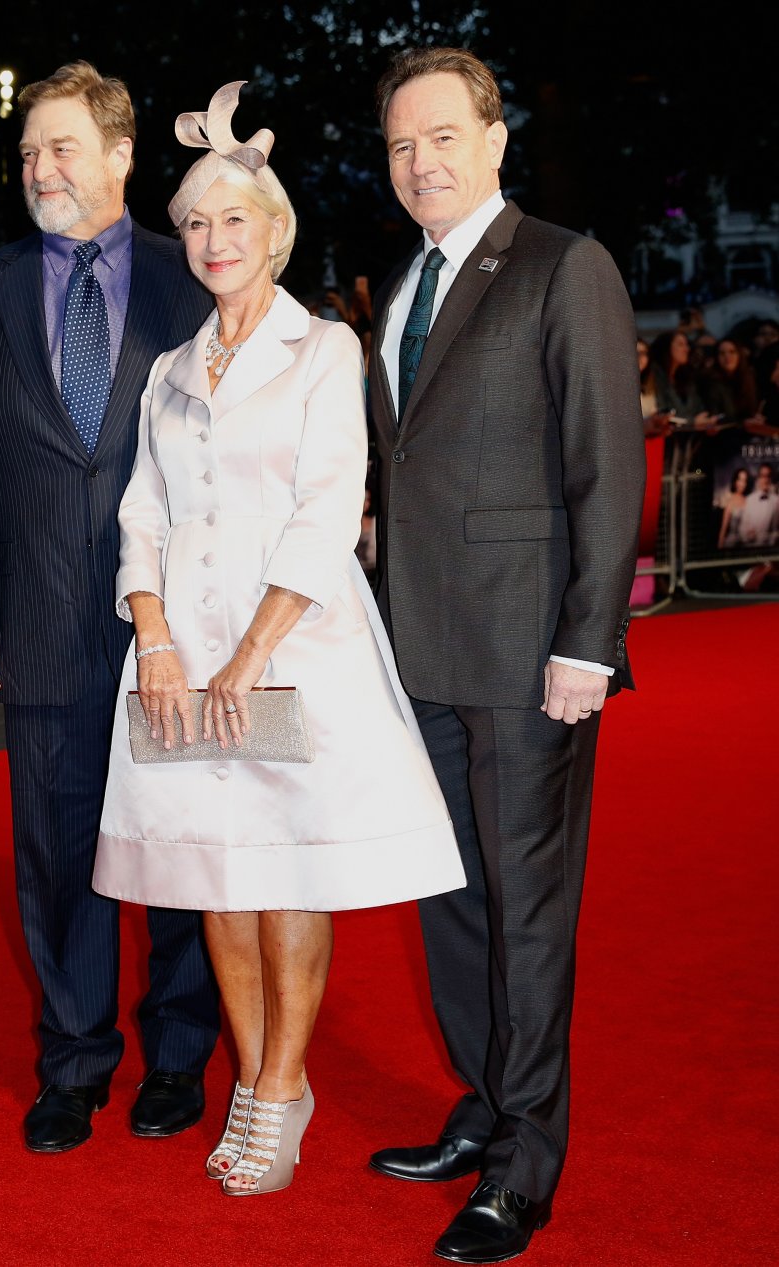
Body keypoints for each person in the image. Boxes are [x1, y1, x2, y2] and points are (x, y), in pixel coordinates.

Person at [91, 81, 465, 1197]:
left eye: (233, 220)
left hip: (289, 644)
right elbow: (142, 512)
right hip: (179, 657)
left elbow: (327, 505)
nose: (211, 239)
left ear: (274, 232)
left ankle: (278, 1088)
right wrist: (154, 636)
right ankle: (257, 1075)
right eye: (195, 221)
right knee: (218, 875)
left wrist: (250, 653)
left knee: (287, 873)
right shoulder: (165, 370)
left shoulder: (323, 351)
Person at [365, 48, 645, 1264]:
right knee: (452, 902)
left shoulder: (561, 264)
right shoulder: (400, 286)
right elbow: (408, 462)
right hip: (417, 648)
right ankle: (483, 1107)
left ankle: (526, 1162)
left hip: (530, 655)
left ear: (492, 138)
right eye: (397, 145)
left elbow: (606, 465)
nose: (419, 161)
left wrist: (589, 641)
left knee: (528, 912)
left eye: (440, 136)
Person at [0, 61, 219, 1156]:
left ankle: (180, 1055)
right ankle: (74, 1061)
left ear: (121, 155)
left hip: (178, 630)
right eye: (29, 151)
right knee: (56, 852)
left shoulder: (195, 272)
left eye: (63, 147)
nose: (40, 168)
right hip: (36, 622)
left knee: (188, 845)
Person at [738, 463, 779, 546]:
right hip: (749, 548)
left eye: (768, 476)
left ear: (771, 478)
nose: (765, 479)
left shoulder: (776, 501)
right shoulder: (749, 500)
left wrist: (766, 539)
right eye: (762, 476)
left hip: (768, 548)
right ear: (758, 478)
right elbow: (742, 527)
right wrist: (747, 535)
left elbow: (776, 531)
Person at [717, 467, 750, 549]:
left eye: (744, 481)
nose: (742, 484)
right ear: (735, 481)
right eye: (739, 480)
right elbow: (723, 529)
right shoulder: (730, 502)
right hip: (732, 545)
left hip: (746, 544)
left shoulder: (748, 500)